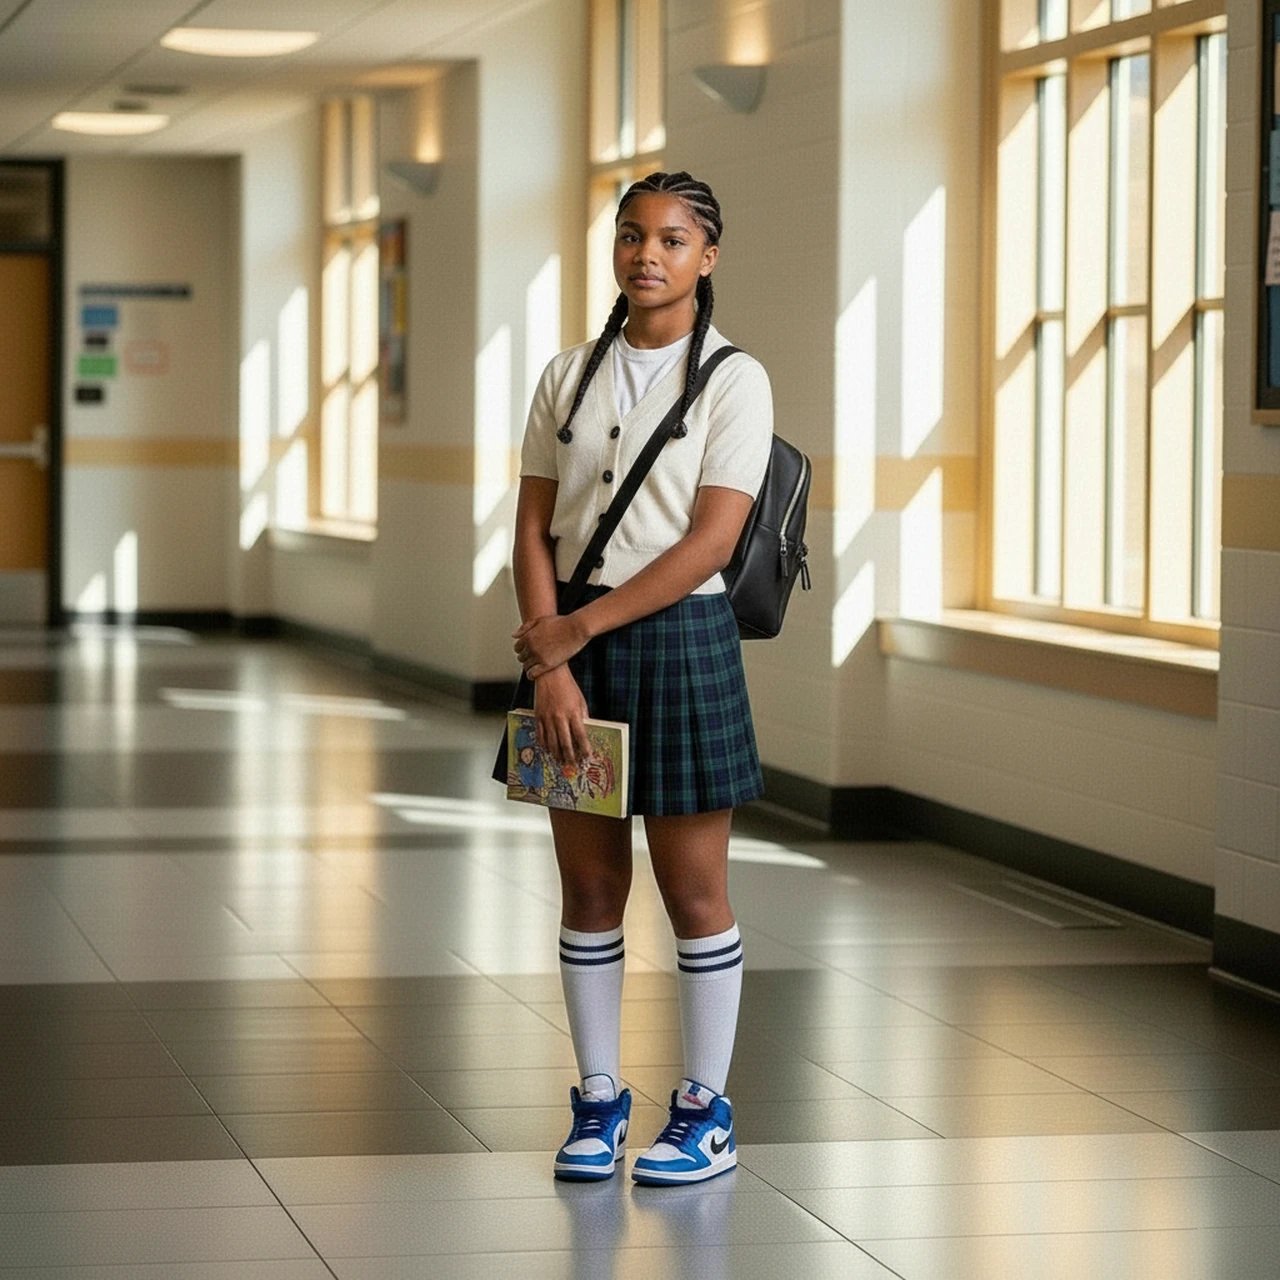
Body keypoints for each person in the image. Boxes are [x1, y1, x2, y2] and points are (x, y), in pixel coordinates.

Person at [494, 171, 772, 1186]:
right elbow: (530, 525)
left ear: (706, 256)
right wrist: (551, 652)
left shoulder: (735, 380)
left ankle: (703, 1108)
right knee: (589, 884)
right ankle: (599, 1096)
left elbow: (709, 543)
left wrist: (568, 629)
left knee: (694, 890)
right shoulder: (565, 375)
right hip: (568, 648)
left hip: (680, 641)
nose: (644, 254)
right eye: (628, 235)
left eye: (669, 238)